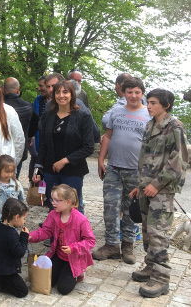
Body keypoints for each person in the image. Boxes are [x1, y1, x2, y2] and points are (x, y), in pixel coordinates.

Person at [129, 89, 188, 298]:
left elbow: (179, 161)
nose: (149, 106)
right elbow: (145, 159)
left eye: (153, 103)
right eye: (149, 102)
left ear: (166, 105)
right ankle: (151, 267)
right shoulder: (150, 125)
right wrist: (140, 184)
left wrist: (157, 184)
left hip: (162, 191)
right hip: (147, 188)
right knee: (147, 231)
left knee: (158, 234)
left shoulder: (175, 127)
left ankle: (161, 279)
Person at [93, 77, 150, 264]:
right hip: (114, 168)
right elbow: (107, 136)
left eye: (137, 92)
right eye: (129, 92)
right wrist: (101, 159)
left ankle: (127, 245)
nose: (133, 96)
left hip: (136, 171)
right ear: (123, 93)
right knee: (110, 207)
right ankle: (111, 245)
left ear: (142, 94)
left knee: (130, 209)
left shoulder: (149, 115)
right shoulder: (116, 112)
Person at [32, 81, 95, 214]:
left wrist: (65, 160)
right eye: (58, 92)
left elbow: (88, 147)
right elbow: (43, 145)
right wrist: (38, 169)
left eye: (65, 92)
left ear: (72, 95)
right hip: (50, 171)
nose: (61, 95)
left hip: (73, 171)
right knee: (53, 208)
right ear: (54, 95)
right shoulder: (48, 115)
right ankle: (55, 235)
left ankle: (74, 235)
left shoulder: (83, 116)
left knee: (72, 210)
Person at [29, 184, 96, 295]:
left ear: (68, 202)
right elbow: (45, 231)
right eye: (52, 199)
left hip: (73, 258)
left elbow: (90, 241)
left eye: (56, 200)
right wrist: (30, 236)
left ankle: (78, 273)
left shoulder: (81, 220)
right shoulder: (53, 215)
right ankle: (62, 271)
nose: (52, 202)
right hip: (58, 255)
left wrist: (73, 248)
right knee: (46, 281)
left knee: (63, 289)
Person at [0, 198, 29, 297]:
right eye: (24, 218)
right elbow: (20, 252)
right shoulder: (11, 234)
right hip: (6, 270)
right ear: (16, 217)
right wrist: (24, 236)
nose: (24, 222)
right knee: (22, 291)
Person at [2, 77, 38, 178]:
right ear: (18, 90)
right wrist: (29, 136)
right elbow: (37, 122)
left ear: (3, 90)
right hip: (20, 150)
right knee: (14, 178)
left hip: (1, 149)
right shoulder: (27, 106)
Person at [0, 155, 24, 228]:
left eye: (11, 172)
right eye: (7, 172)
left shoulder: (17, 184)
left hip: (13, 219)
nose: (9, 174)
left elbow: (21, 199)